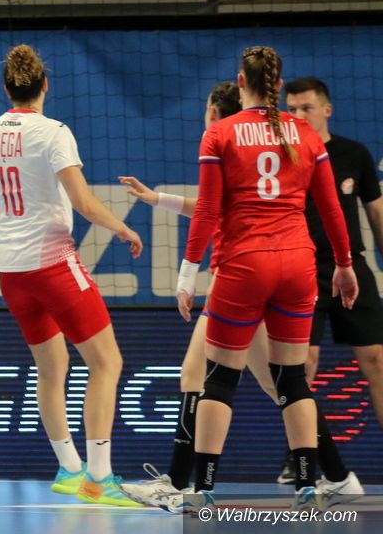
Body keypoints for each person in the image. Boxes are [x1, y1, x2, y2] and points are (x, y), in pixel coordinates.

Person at [118, 82, 362, 508]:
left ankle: (181, 484)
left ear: (215, 113)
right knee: (277, 385)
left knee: (210, 378)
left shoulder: (225, 143)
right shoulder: (252, 151)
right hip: (264, 275)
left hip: (240, 280)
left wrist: (186, 270)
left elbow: (210, 210)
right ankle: (339, 476)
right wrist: (157, 198)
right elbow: (211, 207)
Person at [0, 45, 142, 507]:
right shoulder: (54, 131)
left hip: (11, 271)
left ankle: (69, 468)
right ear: (45, 85)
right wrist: (122, 228)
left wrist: (5, 217)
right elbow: (83, 202)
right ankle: (98, 479)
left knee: (52, 367)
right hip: (54, 264)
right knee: (107, 363)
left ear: (7, 90)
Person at [285, 77, 383, 441]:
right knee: (303, 366)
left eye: (306, 108)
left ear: (326, 110)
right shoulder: (282, 157)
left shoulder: (353, 154)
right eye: (291, 109)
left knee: (378, 361)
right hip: (302, 271)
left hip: (350, 269)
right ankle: (301, 459)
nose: (299, 115)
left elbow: (376, 213)